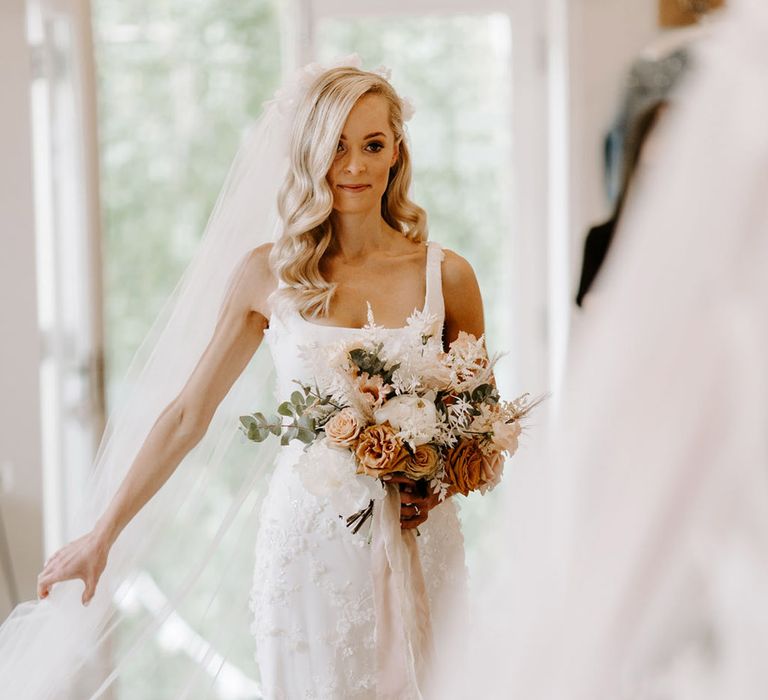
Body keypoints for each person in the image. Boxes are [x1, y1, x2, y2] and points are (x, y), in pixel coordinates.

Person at [8, 58, 484, 699]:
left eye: (373, 145)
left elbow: (477, 424)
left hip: (417, 541)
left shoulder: (446, 276)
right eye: (335, 147)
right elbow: (187, 415)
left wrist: (435, 480)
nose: (354, 167)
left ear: (397, 150)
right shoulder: (268, 275)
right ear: (309, 154)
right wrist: (102, 537)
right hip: (309, 550)